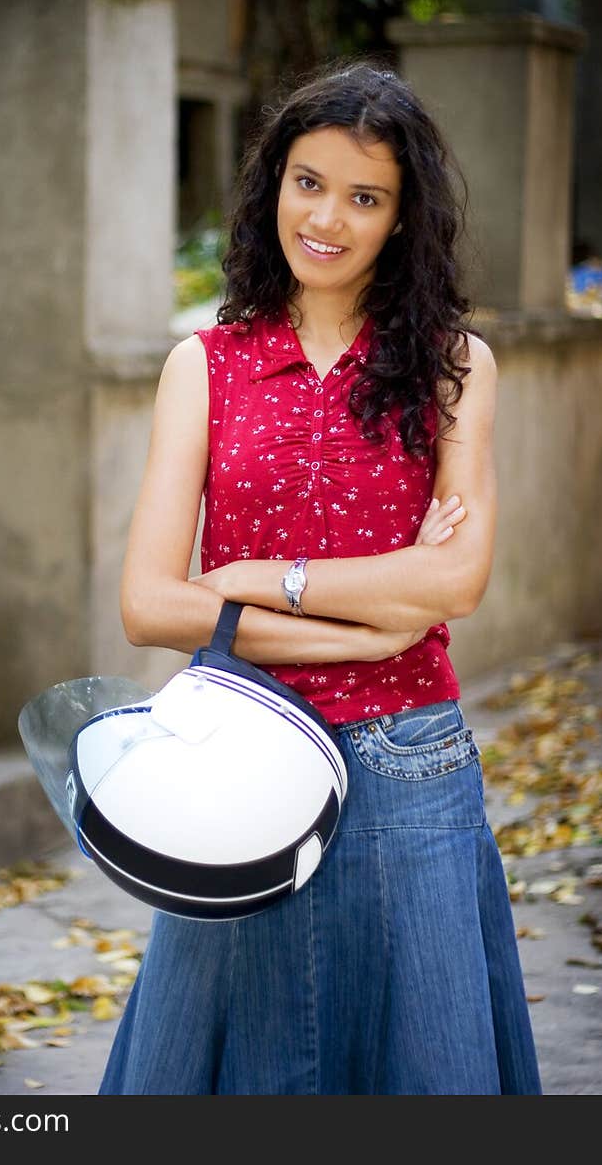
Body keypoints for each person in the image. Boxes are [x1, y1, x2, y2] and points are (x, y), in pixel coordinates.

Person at [98, 58, 542, 1096]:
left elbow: (458, 580)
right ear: (272, 188)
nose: (329, 217)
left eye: (364, 196)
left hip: (408, 763)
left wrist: (262, 579)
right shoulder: (201, 366)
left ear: (401, 217)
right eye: (308, 181)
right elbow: (149, 602)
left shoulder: (456, 367)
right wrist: (369, 622)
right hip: (233, 759)